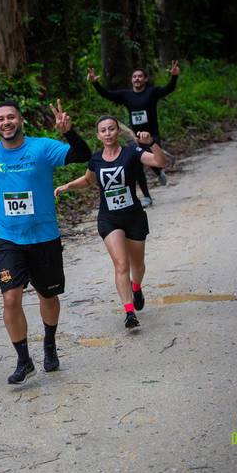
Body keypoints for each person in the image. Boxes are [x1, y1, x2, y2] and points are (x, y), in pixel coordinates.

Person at [0, 99, 91, 384]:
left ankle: (49, 344)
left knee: (48, 295)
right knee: (10, 298)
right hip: (7, 237)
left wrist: (69, 132)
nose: (6, 123)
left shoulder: (42, 148)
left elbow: (82, 155)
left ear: (21, 120)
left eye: (11, 117)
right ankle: (23, 360)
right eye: (0, 119)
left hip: (44, 236)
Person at [55, 116, 166, 329]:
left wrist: (151, 143)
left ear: (117, 131)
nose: (107, 133)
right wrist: (68, 186)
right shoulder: (96, 159)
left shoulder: (132, 152)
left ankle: (136, 287)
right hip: (109, 219)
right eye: (103, 130)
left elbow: (160, 162)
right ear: (98, 135)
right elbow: (88, 180)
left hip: (133, 216)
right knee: (121, 264)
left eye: (111, 129)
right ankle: (129, 312)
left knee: (137, 265)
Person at [87, 61, 180, 207]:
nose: (137, 79)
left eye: (140, 76)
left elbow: (169, 88)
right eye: (134, 76)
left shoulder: (152, 92)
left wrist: (174, 76)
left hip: (151, 135)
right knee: (137, 166)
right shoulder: (127, 95)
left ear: (145, 79)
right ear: (131, 80)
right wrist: (95, 83)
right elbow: (107, 94)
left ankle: (158, 172)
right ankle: (147, 197)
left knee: (153, 158)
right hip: (134, 137)